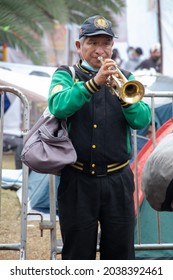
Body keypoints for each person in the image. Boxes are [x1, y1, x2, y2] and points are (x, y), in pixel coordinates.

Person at [48, 15, 151, 260]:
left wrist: (125, 99)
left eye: (106, 43)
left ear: (112, 47)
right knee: (77, 254)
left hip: (119, 181)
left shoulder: (126, 77)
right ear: (79, 46)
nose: (100, 50)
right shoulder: (65, 75)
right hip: (77, 180)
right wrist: (93, 83)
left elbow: (141, 120)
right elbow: (58, 106)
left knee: (120, 253)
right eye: (92, 43)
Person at [1, 92, 23, 169]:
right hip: (5, 133)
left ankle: (28, 175)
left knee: (32, 143)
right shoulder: (7, 97)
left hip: (17, 133)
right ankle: (20, 173)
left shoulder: (12, 95)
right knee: (22, 145)